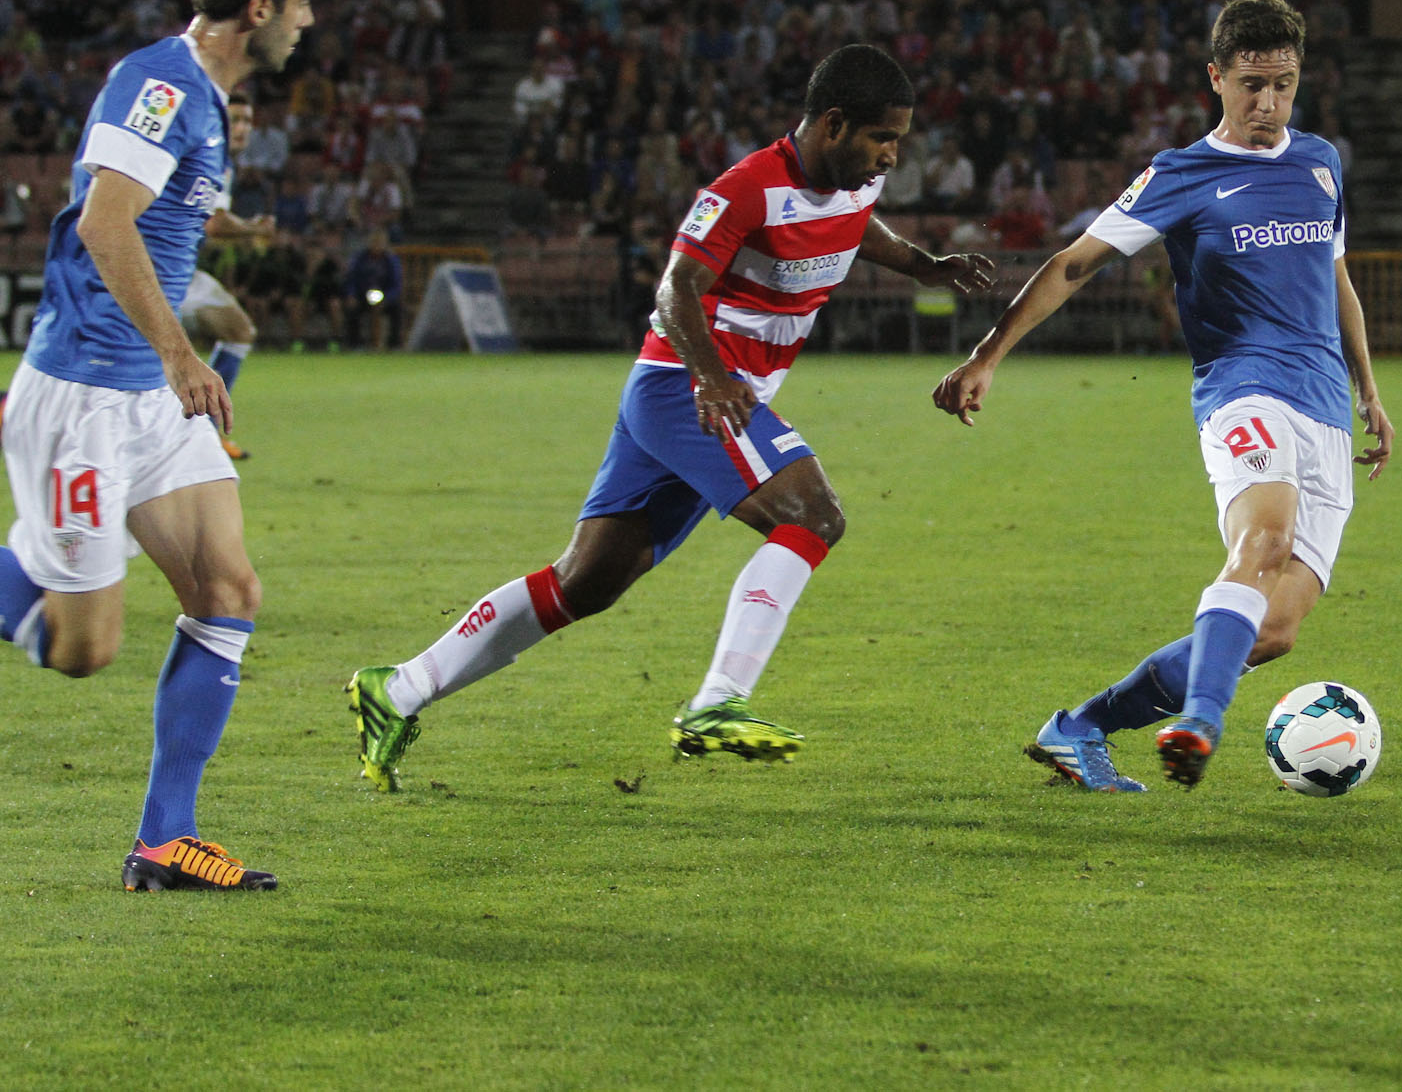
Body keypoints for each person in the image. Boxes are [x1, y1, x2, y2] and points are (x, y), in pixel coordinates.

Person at [346, 46, 996, 791]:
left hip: (704, 396)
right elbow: (674, 288)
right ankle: (717, 701)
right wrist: (711, 377)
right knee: (814, 515)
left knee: (583, 583)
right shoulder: (745, 187)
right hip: (685, 389)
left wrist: (926, 265)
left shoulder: (851, 185)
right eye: (883, 137)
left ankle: (396, 687)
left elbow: (856, 226)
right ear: (834, 123)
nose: (890, 155)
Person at [933, 0, 1392, 792]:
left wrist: (1369, 390)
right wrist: (989, 351)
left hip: (1322, 401)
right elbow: (1076, 262)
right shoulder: (1182, 175)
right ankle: (1201, 722)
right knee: (1262, 544)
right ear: (1216, 78)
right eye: (1251, 84)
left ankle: (1081, 727)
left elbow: (1336, 277)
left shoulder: (1321, 162)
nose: (1267, 103)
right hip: (1243, 388)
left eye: (1282, 84)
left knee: (1274, 627)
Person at [0, 0, 318, 891]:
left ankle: (162, 841)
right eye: (301, 2)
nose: (307, 20)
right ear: (257, 5)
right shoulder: (158, 82)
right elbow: (105, 222)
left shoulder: (208, 99)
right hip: (91, 397)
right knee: (82, 650)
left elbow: (166, 206)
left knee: (227, 593)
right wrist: (185, 358)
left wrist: (232, 229)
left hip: (147, 401)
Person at [177, 93, 271, 461]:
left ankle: (206, 431)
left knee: (239, 331)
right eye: (236, 119)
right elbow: (215, 225)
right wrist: (254, 230)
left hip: (183, 269)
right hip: (157, 271)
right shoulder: (207, 155)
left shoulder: (221, 162)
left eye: (248, 120)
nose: (243, 128)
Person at [341, 229, 404, 350]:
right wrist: (351, 295)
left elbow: (396, 285)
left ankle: (394, 344)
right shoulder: (359, 259)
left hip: (385, 295)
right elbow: (351, 279)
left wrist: (386, 298)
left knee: (397, 309)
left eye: (380, 242)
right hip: (362, 295)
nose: (377, 245)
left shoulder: (391, 260)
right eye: (374, 242)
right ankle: (355, 343)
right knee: (352, 308)